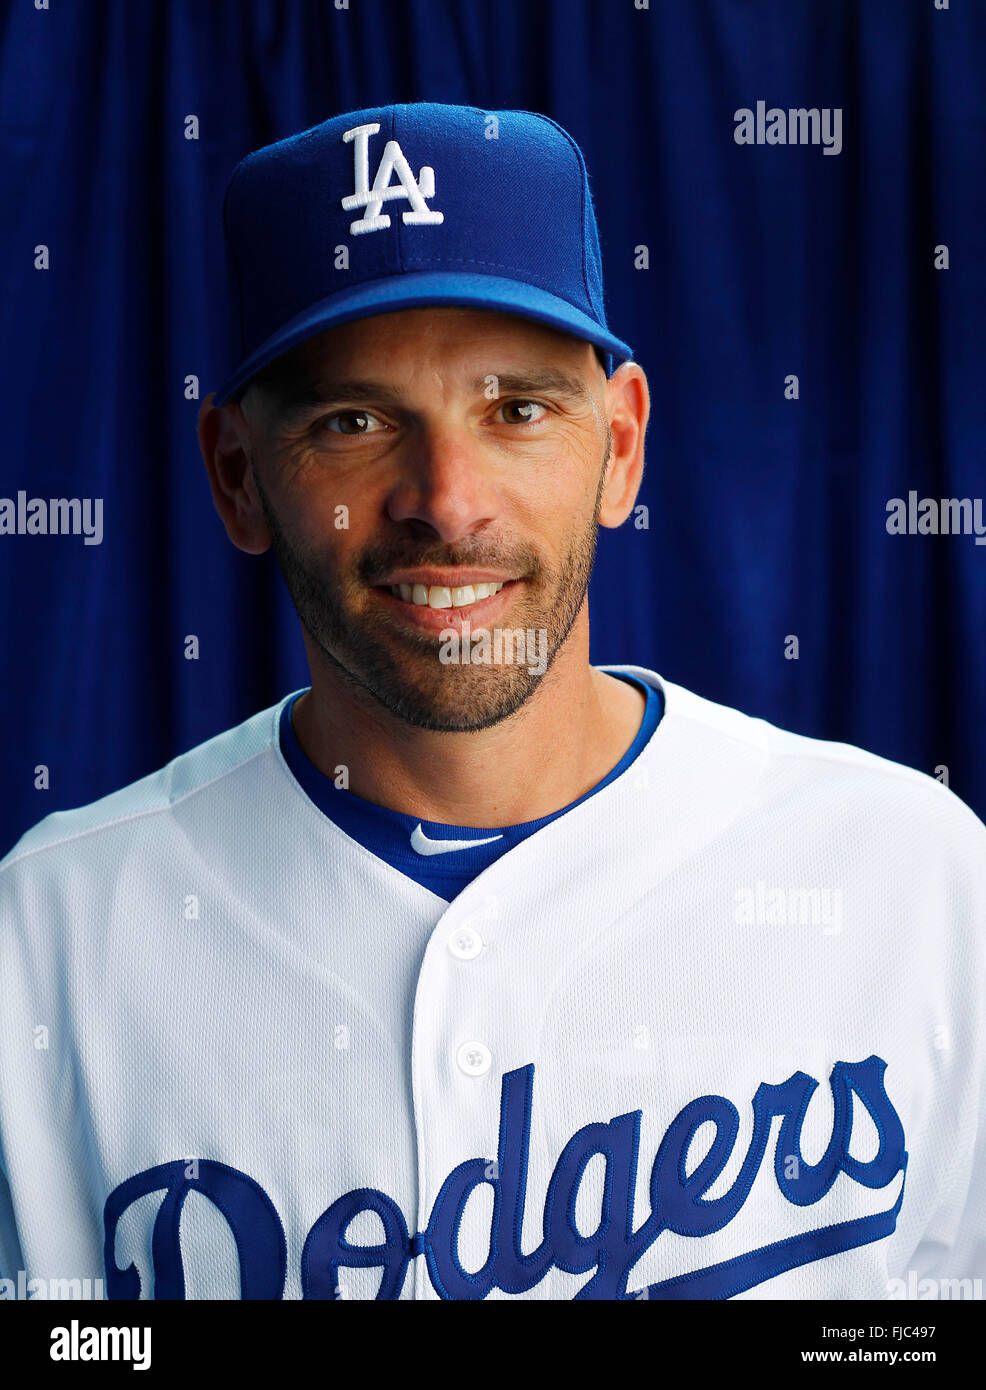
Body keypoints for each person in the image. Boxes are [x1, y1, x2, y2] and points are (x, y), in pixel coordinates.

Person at [1, 103, 983, 1302]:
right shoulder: (45, 938)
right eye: (352, 421)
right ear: (237, 477)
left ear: (619, 447)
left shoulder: (914, 880)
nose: (446, 502)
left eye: (516, 408)